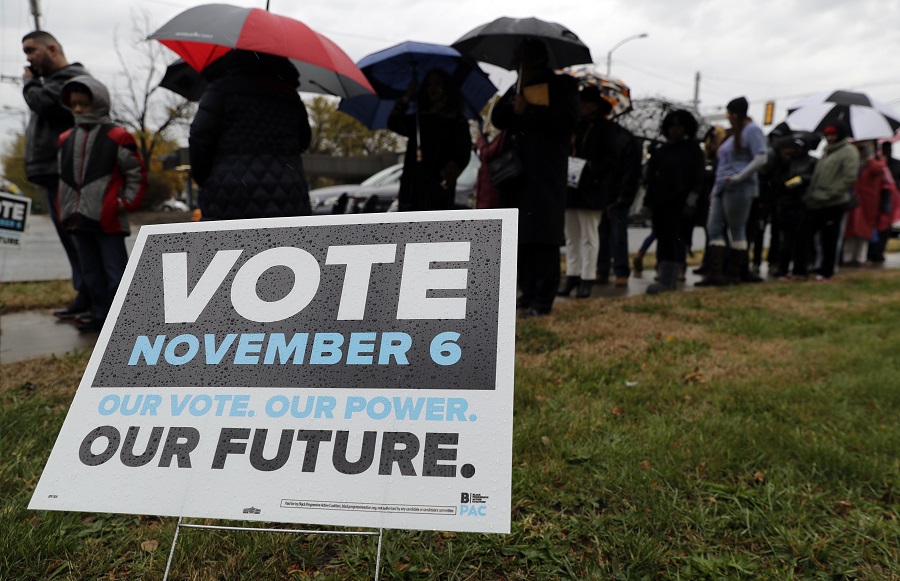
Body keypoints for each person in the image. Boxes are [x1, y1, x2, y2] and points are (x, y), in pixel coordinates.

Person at [491, 39, 579, 318]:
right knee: (521, 239)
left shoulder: (562, 86)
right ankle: (526, 292)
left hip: (546, 174)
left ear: (538, 60)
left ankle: (543, 299)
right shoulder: (516, 88)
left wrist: (528, 111)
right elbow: (497, 118)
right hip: (517, 176)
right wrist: (514, 102)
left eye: (523, 60)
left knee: (543, 238)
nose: (519, 66)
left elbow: (566, 119)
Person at [57, 76, 147, 332]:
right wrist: (64, 208)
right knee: (90, 272)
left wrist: (125, 203)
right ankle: (101, 314)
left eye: (83, 104)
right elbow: (63, 177)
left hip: (108, 220)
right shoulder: (65, 138)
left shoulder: (118, 136)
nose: (77, 110)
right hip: (77, 218)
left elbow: (135, 174)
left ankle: (126, 318)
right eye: (73, 104)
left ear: (97, 102)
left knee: (116, 271)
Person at [189, 50, 312, 220]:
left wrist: (205, 178)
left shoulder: (221, 89)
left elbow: (199, 138)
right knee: (285, 245)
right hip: (289, 192)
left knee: (228, 244)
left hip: (229, 193)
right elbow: (304, 142)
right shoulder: (290, 95)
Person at [21, 30, 91, 319]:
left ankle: (96, 298)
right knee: (69, 240)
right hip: (52, 173)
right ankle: (85, 295)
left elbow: (45, 104)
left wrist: (28, 84)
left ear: (51, 49)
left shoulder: (70, 80)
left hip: (65, 172)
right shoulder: (50, 83)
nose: (27, 58)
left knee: (78, 238)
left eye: (31, 50)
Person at [559, 86, 635, 298]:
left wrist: (591, 167)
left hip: (592, 190)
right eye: (580, 103)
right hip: (571, 188)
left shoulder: (606, 128)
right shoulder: (574, 126)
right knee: (571, 236)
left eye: (587, 103)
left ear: (595, 106)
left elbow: (611, 159)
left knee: (589, 236)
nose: (582, 107)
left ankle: (587, 277)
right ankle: (572, 276)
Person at [697, 96, 768, 286]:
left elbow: (761, 157)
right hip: (722, 187)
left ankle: (734, 273)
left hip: (739, 187)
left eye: (729, 112)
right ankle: (715, 273)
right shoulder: (733, 133)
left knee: (737, 229)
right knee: (714, 228)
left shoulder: (752, 130)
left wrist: (740, 176)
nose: (727, 116)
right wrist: (715, 190)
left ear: (735, 113)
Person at [389, 69, 473, 212]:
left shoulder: (457, 122)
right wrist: (406, 97)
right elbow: (394, 122)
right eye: (428, 85)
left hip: (438, 193)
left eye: (437, 84)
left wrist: (446, 176)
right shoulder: (419, 119)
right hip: (412, 190)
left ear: (446, 87)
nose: (432, 88)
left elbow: (462, 155)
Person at [643, 109, 705, 294]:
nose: (674, 130)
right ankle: (664, 277)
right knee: (662, 238)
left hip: (680, 203)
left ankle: (669, 280)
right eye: (671, 126)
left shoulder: (693, 149)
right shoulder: (663, 150)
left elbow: (698, 178)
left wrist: (692, 200)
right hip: (661, 203)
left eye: (678, 126)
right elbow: (650, 178)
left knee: (675, 240)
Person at [802, 124, 860, 281]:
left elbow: (849, 177)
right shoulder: (827, 150)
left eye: (833, 134)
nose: (830, 138)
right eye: (827, 135)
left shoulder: (849, 151)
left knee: (830, 239)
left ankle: (827, 270)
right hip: (816, 201)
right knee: (811, 237)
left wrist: (831, 193)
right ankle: (813, 266)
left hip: (834, 202)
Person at [595, 103, 641, 288]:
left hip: (619, 195)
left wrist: (623, 196)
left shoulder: (625, 139)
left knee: (616, 235)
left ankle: (619, 270)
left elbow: (630, 172)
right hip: (607, 193)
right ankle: (603, 269)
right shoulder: (609, 136)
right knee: (604, 235)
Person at [771, 135, 816, 279]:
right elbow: (778, 180)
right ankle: (783, 268)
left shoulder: (812, 162)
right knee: (786, 239)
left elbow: (815, 179)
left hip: (803, 204)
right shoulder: (786, 161)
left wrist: (802, 180)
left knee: (801, 240)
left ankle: (800, 269)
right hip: (786, 204)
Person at [843, 141, 892, 266]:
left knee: (864, 231)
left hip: (869, 202)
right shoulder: (854, 163)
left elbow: (877, 169)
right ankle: (847, 258)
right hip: (854, 200)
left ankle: (860, 258)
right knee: (851, 230)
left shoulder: (877, 162)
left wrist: (870, 156)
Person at [868, 142, 900, 263]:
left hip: (890, 197)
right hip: (876, 196)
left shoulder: (896, 164)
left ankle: (878, 252)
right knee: (875, 225)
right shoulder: (878, 162)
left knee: (885, 226)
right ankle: (872, 251)